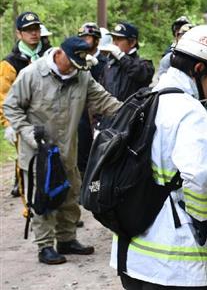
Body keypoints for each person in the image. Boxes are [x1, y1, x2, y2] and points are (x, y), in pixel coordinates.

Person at [112, 26, 207, 290]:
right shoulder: (189, 110)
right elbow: (201, 176)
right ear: (199, 69)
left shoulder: (145, 98)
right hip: (175, 263)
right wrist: (200, 222)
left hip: (133, 254)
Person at [3, 37, 122, 264]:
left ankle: (67, 239)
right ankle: (45, 246)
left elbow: (104, 101)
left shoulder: (82, 76)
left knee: (70, 193)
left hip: (68, 150)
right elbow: (11, 106)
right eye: (72, 63)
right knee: (44, 197)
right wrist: (28, 133)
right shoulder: (32, 75)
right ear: (59, 54)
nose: (75, 70)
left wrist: (132, 111)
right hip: (39, 153)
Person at [1, 11, 52, 198]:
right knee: (27, 166)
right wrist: (9, 124)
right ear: (19, 33)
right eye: (28, 30)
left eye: (36, 29)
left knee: (55, 162)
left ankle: (56, 207)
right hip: (23, 122)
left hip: (51, 118)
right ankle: (30, 207)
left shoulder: (50, 56)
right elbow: (3, 97)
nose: (34, 33)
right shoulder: (10, 63)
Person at [76, 22, 108, 175]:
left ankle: (95, 190)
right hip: (80, 115)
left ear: (96, 40)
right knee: (80, 154)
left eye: (87, 37)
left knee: (97, 156)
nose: (84, 41)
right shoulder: (76, 61)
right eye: (81, 37)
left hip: (99, 114)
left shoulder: (105, 62)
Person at [99, 21, 154, 102]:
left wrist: (121, 56)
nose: (115, 43)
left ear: (132, 42)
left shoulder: (144, 64)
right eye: (113, 39)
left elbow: (139, 73)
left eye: (119, 39)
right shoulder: (109, 64)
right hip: (108, 112)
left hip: (131, 113)